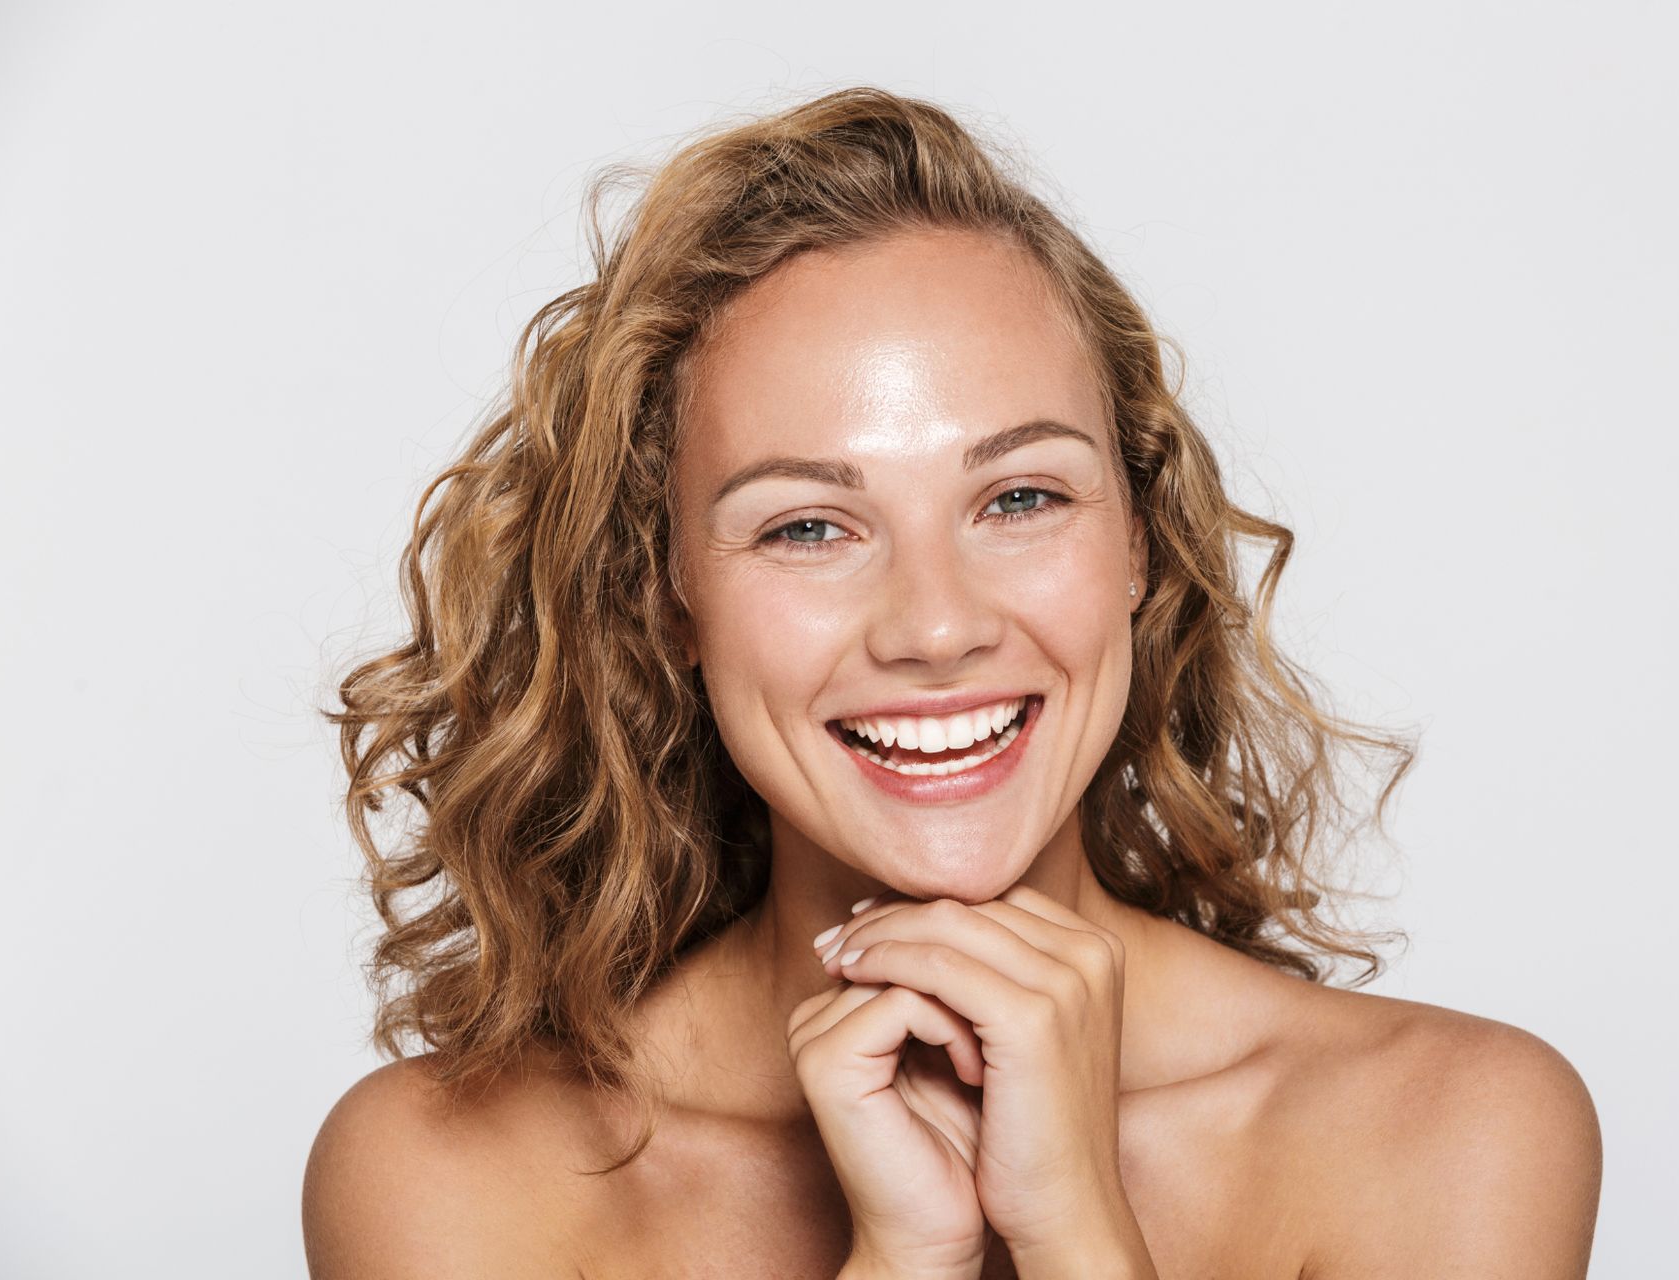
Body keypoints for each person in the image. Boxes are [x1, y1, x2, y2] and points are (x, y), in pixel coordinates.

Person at [302, 86, 1601, 1278]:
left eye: (1020, 497)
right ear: (667, 597)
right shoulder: (456, 1178)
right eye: (809, 525)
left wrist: (1076, 1228)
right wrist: (904, 1261)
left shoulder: (1453, 1130)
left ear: (1141, 543)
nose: (934, 627)